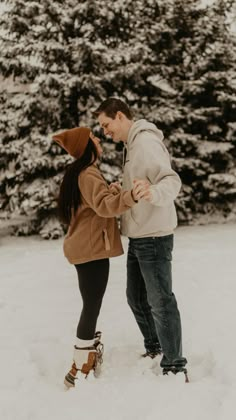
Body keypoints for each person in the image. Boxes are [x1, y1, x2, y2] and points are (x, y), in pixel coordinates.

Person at [94, 98, 188, 382]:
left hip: (155, 236)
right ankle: (155, 346)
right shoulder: (132, 145)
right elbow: (140, 182)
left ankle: (174, 365)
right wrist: (122, 188)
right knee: (135, 297)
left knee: (161, 301)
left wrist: (152, 193)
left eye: (106, 125)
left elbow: (170, 181)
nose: (105, 132)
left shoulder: (145, 142)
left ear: (120, 116)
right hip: (139, 235)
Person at [52, 126, 139, 388]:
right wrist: (132, 195)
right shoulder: (88, 174)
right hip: (90, 251)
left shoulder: (82, 173)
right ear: (87, 146)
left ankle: (86, 354)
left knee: (91, 303)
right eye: (93, 138)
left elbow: (96, 203)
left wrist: (112, 191)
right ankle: (79, 368)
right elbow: (104, 206)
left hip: (86, 248)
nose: (99, 140)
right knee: (91, 305)